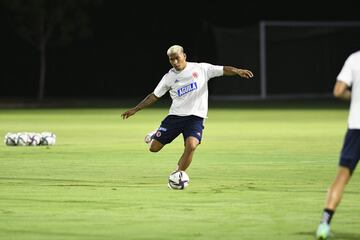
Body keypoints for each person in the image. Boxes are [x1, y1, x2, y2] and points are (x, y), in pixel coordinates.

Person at [121, 44, 253, 183]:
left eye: (177, 58)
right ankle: (155, 133)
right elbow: (154, 95)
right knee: (154, 149)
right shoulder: (169, 77)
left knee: (191, 145)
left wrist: (237, 71)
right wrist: (135, 109)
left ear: (184, 56)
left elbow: (223, 69)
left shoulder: (201, 68)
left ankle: (178, 175)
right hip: (175, 117)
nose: (175, 62)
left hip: (195, 118)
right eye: (171, 60)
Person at [316, 50, 360, 239]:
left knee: (341, 178)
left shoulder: (355, 58)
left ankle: (324, 224)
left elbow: (338, 91)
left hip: (356, 127)